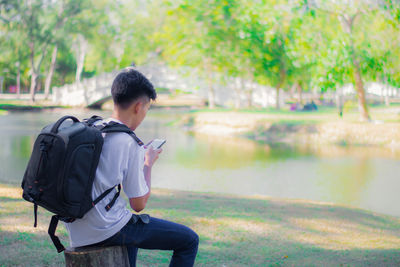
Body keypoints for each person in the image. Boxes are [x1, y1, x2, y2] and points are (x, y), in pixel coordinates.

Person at [64, 67, 199, 267]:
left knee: (129, 227)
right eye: (146, 109)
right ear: (138, 107)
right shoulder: (128, 142)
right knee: (189, 240)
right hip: (105, 228)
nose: (144, 114)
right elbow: (139, 204)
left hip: (77, 229)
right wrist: (148, 163)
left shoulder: (93, 129)